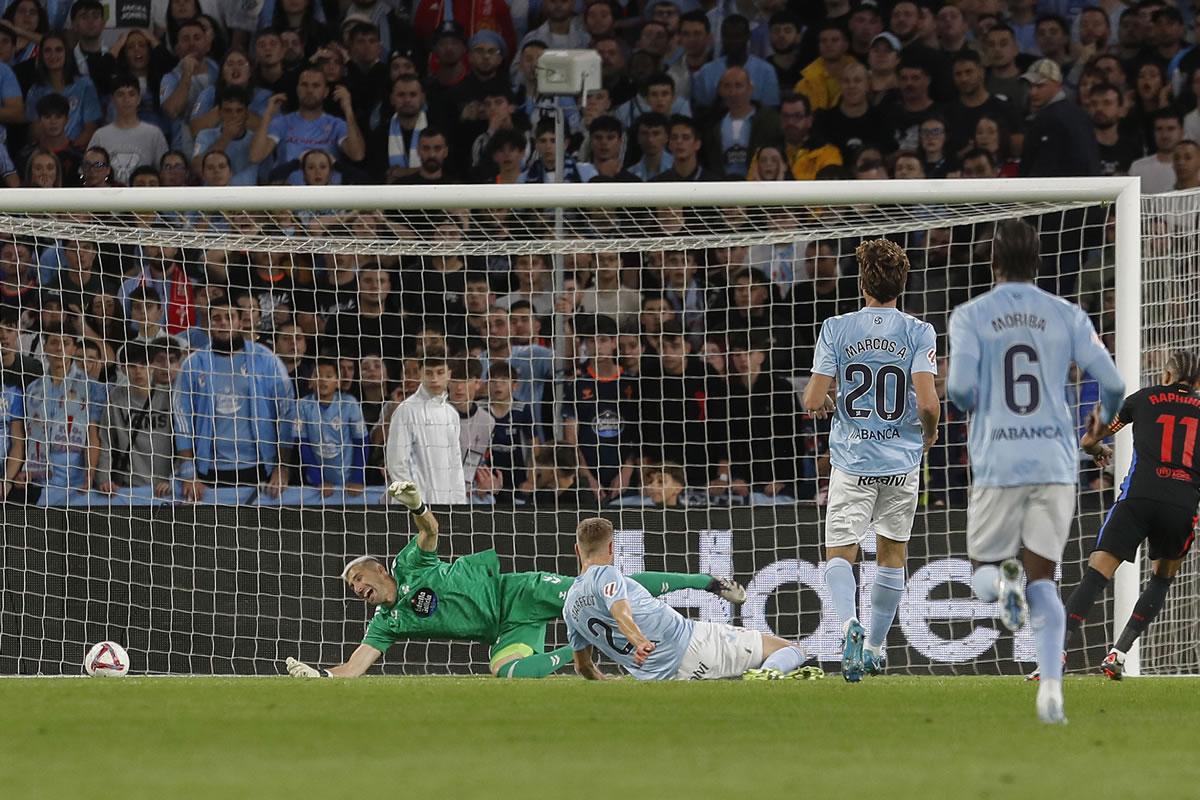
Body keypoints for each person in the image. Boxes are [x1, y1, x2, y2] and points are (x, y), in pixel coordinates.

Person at [284, 481, 746, 678]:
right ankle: (579, 649)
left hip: (519, 591)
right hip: (507, 628)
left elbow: (430, 531)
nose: (359, 590)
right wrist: (322, 675)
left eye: (360, 578)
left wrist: (415, 505)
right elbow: (353, 668)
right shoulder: (385, 623)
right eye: (353, 589)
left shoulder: (409, 564)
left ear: (380, 570)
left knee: (604, 588)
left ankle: (705, 582)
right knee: (506, 672)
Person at [947, 219, 1124, 724]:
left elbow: (959, 390)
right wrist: (1099, 422)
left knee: (984, 569)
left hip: (998, 461)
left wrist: (984, 403)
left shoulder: (970, 315)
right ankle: (1051, 690)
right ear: (1040, 263)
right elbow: (1113, 382)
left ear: (993, 262)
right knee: (1044, 576)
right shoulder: (1066, 314)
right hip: (1054, 460)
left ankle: (1005, 588)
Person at [801, 239, 940, 682]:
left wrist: (831, 400)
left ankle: (848, 628)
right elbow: (930, 405)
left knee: (840, 552)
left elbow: (812, 399)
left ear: (862, 283)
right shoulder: (919, 332)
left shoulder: (837, 327)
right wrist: (930, 434)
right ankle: (876, 649)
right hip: (901, 463)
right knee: (892, 553)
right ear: (903, 283)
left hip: (853, 461)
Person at [1056, 351, 1200, 681]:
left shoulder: (1144, 398)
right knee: (1162, 578)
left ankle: (1058, 651)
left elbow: (1092, 438)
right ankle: (1118, 653)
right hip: (1180, 504)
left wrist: (1097, 450)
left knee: (1097, 573)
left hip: (1138, 498)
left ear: (1166, 376)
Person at [566, 516, 817, 681]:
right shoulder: (607, 574)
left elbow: (583, 666)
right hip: (692, 643)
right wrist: (639, 641)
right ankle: (768, 676)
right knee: (791, 649)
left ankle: (762, 673)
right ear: (611, 548)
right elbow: (620, 611)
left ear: (577, 550)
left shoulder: (569, 607)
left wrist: (605, 680)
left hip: (657, 676)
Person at [172, 298, 296, 502]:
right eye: (217, 318)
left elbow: (286, 413)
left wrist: (282, 468)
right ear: (209, 325)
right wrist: (188, 473)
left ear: (241, 322)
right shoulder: (193, 364)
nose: (223, 322)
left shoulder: (266, 360)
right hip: (209, 471)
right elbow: (181, 418)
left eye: (229, 317)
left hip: (258, 468)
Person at [385, 349, 466, 505]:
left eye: (440, 372)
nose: (434, 379)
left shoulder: (452, 414)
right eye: (429, 373)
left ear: (449, 374)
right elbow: (396, 464)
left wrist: (459, 504)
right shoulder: (406, 411)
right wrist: (416, 506)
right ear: (420, 374)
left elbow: (455, 466)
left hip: (447, 505)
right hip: (413, 509)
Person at [95, 342, 176, 496]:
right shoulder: (116, 398)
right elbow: (105, 441)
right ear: (124, 369)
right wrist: (103, 479)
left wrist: (175, 479)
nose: (138, 371)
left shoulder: (169, 396)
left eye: (143, 365)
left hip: (165, 488)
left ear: (152, 366)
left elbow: (182, 442)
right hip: (128, 487)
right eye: (132, 366)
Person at [296, 356, 368, 496]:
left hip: (347, 481)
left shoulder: (349, 404)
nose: (323, 380)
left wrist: (357, 478)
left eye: (329, 376)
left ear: (338, 382)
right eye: (317, 376)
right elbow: (302, 444)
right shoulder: (303, 405)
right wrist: (319, 480)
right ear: (310, 382)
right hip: (317, 484)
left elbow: (362, 442)